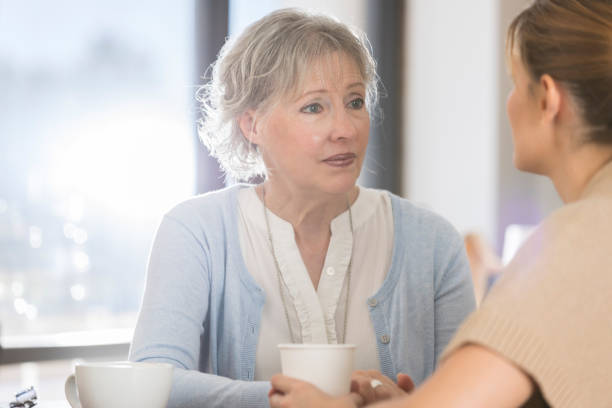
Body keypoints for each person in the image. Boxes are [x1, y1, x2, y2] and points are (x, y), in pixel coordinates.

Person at [268, 0, 612, 407]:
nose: (341, 129)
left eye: (515, 83)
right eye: (313, 107)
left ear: (548, 100)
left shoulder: (579, 239)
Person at [128, 8, 476, 408]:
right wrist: (293, 401)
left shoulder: (433, 243)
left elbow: (472, 396)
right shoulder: (196, 231)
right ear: (251, 124)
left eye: (355, 101)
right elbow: (152, 381)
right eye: (315, 107)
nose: (345, 129)